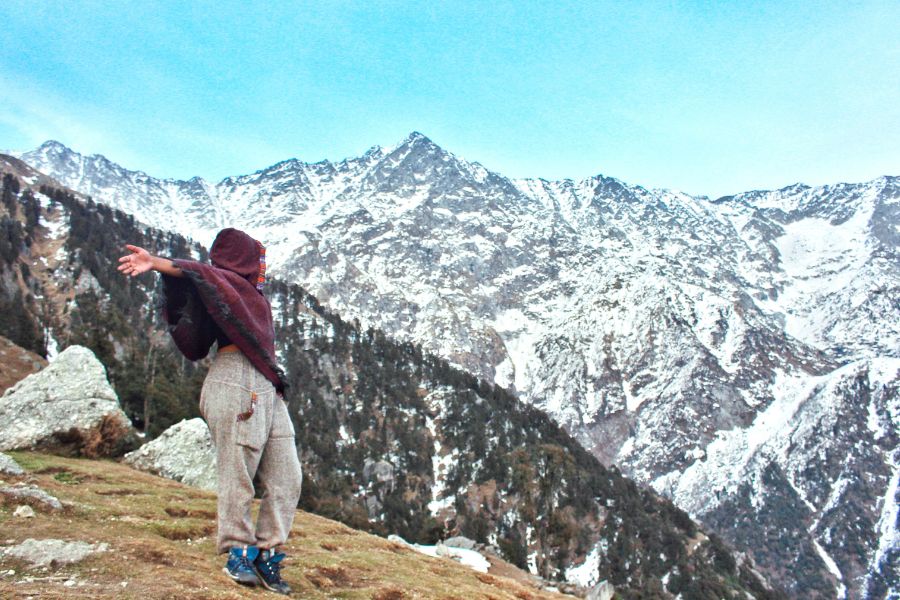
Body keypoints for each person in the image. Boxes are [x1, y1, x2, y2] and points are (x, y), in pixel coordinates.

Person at [118, 228, 303, 595]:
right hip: (234, 379)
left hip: (266, 384)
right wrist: (155, 263)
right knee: (238, 471)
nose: (261, 267)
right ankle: (237, 550)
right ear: (242, 258)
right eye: (256, 258)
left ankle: (267, 552)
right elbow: (200, 272)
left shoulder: (246, 295)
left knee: (288, 475)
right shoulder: (224, 282)